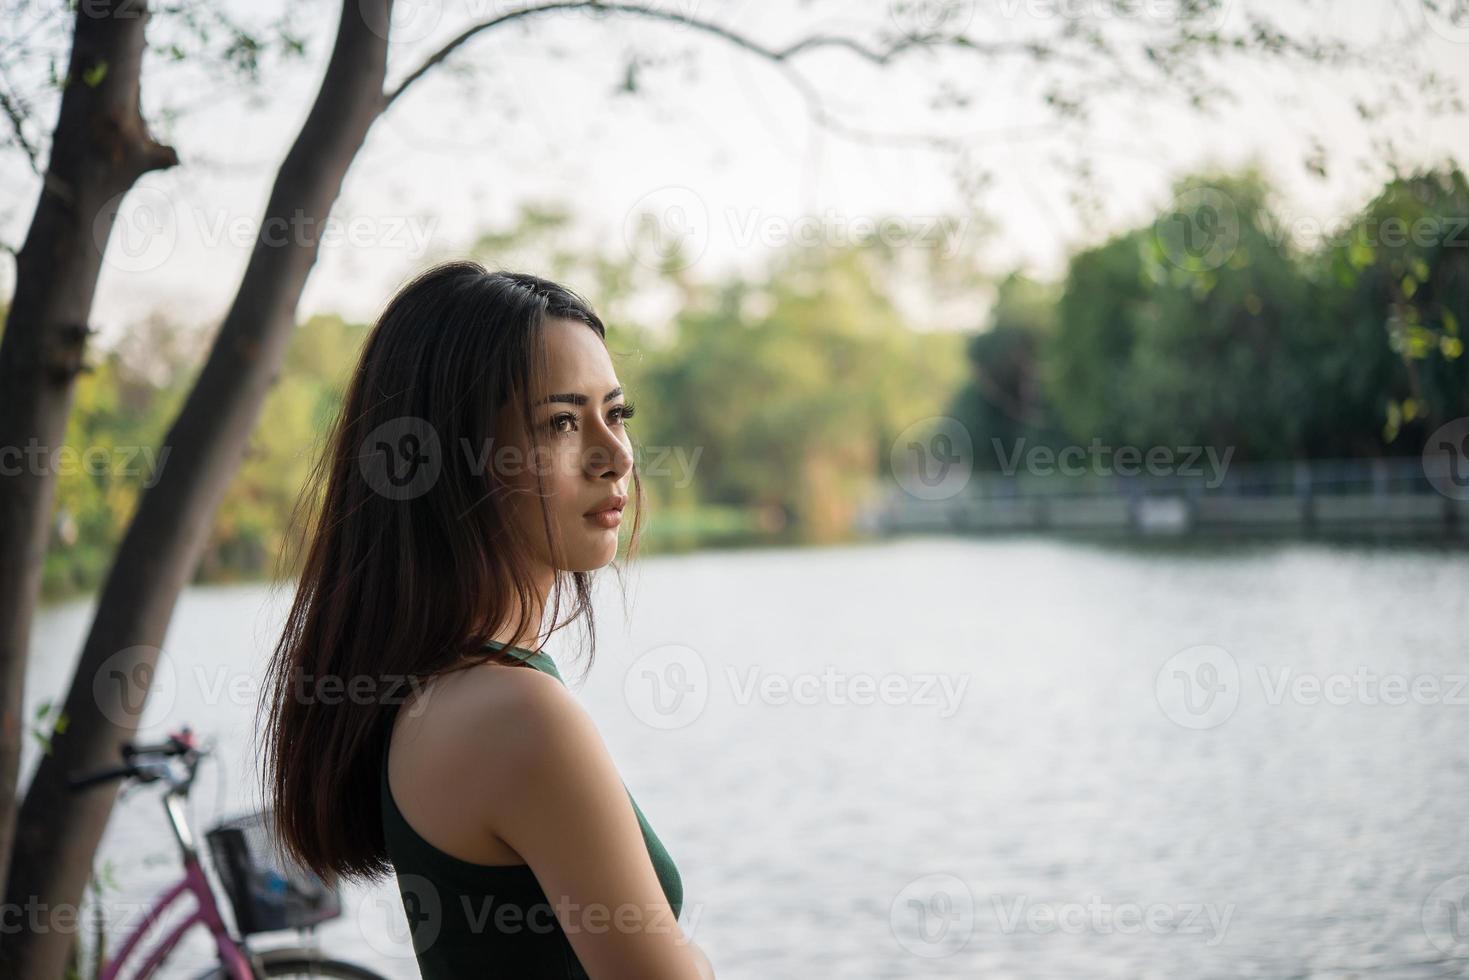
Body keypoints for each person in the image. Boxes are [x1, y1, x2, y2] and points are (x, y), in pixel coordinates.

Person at [259, 261, 714, 978]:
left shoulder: (447, 689)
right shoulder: (514, 714)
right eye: (561, 422)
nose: (616, 454)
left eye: (615, 413)